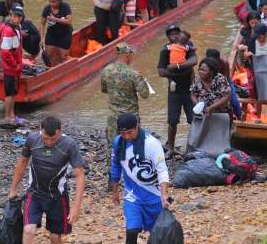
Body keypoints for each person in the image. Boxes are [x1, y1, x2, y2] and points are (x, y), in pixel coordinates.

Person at [7, 115, 85, 244]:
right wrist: (13, 189)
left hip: (58, 197)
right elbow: (22, 163)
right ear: (40, 131)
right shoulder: (32, 140)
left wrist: (76, 207)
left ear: (60, 133)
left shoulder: (69, 145)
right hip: (35, 194)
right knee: (28, 230)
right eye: (46, 138)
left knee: (55, 237)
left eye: (53, 138)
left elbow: (80, 175)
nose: (49, 142)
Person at [109, 113, 170, 244]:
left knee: (156, 231)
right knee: (132, 230)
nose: (126, 137)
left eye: (129, 133)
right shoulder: (118, 143)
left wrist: (164, 194)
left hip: (153, 195)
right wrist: (115, 190)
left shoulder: (152, 144)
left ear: (137, 127)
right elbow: (115, 166)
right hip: (132, 195)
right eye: (123, 133)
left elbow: (162, 170)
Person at [100, 43, 150, 171]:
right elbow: (145, 94)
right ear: (127, 55)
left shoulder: (106, 71)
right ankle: (137, 171)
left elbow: (104, 90)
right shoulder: (133, 74)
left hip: (113, 117)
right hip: (131, 117)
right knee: (135, 144)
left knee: (113, 146)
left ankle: (112, 178)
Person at [157, 24, 197, 157]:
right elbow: (161, 72)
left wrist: (176, 66)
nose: (174, 36)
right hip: (174, 90)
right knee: (172, 120)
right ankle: (171, 147)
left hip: (189, 89)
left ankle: (192, 147)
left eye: (176, 33)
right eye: (171, 34)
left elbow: (194, 61)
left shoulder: (187, 45)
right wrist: (173, 71)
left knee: (193, 119)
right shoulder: (165, 50)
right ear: (168, 37)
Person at [0, 3, 26, 127]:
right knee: (9, 93)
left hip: (15, 67)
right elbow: (5, 53)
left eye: (19, 16)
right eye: (15, 16)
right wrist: (15, 65)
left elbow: (16, 47)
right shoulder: (9, 30)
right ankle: (7, 117)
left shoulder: (17, 27)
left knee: (13, 92)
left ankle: (12, 115)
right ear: (10, 15)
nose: (17, 18)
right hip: (11, 68)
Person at [205, 48, 241, 119]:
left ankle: (239, 116)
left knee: (233, 99)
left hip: (225, 80)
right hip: (211, 80)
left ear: (217, 59)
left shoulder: (224, 63)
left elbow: (225, 80)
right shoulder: (205, 63)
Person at [41, 0, 73, 66]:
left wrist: (55, 19)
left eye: (54, 2)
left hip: (64, 35)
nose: (51, 4)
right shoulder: (47, 9)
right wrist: (42, 38)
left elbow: (69, 21)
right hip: (51, 35)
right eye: (50, 2)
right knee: (49, 55)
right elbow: (42, 23)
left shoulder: (65, 7)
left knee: (63, 57)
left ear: (59, 1)